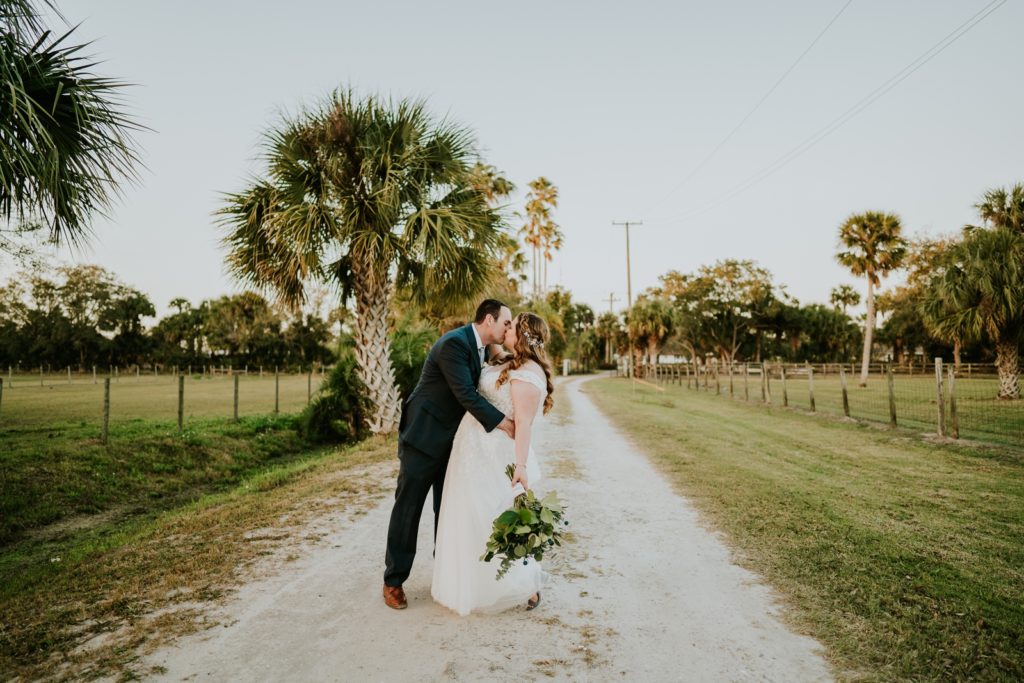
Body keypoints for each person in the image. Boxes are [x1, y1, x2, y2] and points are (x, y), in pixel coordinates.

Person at [382, 299, 515, 610]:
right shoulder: (453, 345)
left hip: (454, 445)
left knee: (448, 511)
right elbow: (466, 394)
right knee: (408, 509)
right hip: (424, 438)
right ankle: (393, 581)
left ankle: (444, 577)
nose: (508, 328)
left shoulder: (483, 348)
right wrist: (505, 424)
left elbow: (495, 369)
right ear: (488, 320)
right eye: (506, 323)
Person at [431, 312, 555, 615]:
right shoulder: (507, 360)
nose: (506, 329)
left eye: (512, 327)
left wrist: (521, 467)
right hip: (470, 451)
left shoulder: (528, 373)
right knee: (467, 515)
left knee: (494, 516)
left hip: (494, 454)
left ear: (523, 336)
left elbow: (523, 424)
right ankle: (471, 584)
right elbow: (486, 345)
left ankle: (525, 584)